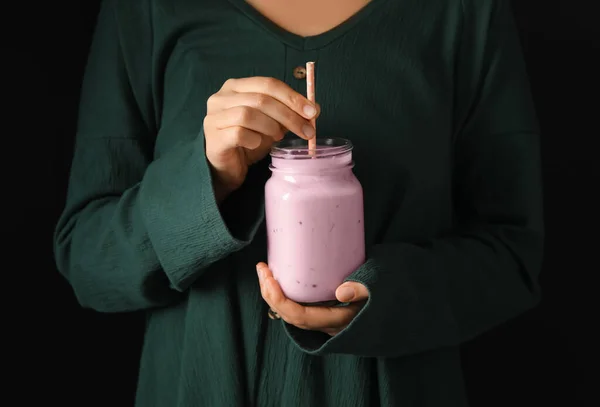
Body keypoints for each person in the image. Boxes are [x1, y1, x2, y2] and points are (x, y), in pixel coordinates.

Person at [54, 0, 544, 405]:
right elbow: (89, 261)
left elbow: (513, 256)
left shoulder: (465, 13)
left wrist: (384, 297)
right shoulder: (145, 10)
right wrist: (209, 177)